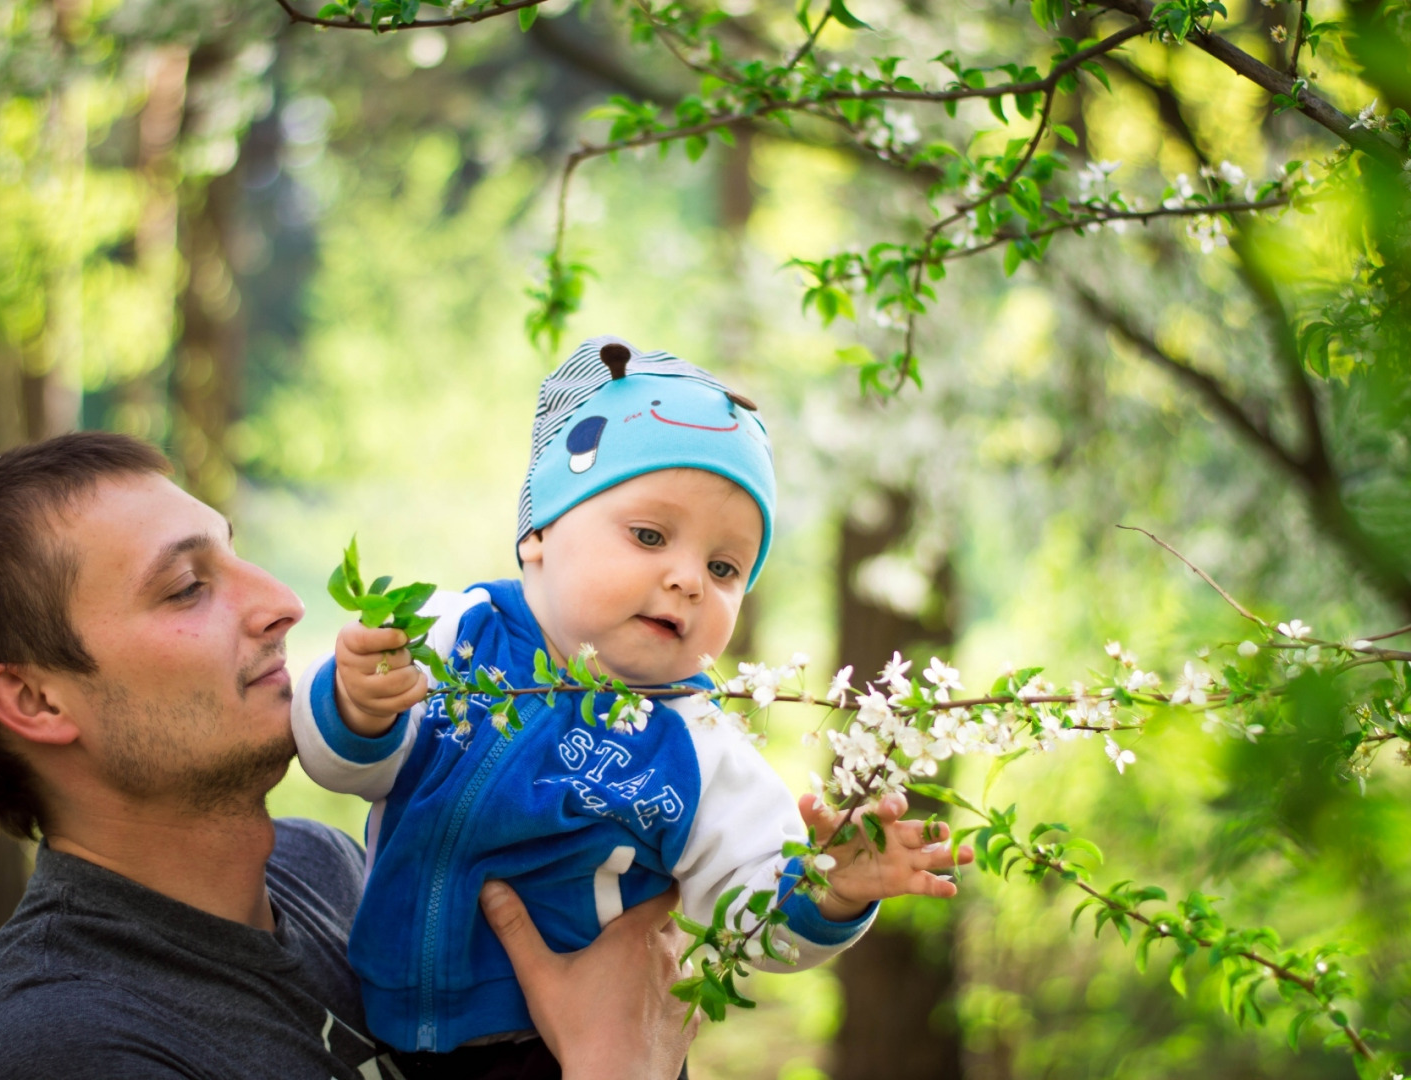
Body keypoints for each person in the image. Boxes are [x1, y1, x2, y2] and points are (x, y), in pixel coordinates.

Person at [0, 432, 699, 1080]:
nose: (282, 603)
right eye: (185, 588)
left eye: (233, 553)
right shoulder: (63, 1041)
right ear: (37, 700)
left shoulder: (332, 874)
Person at [294, 336, 975, 1075]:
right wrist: (359, 706)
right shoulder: (454, 634)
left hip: (563, 1050)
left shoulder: (697, 740)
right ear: (538, 536)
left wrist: (827, 893)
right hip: (385, 1025)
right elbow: (341, 768)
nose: (687, 579)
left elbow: (755, 918)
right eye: (649, 535)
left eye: (724, 568)